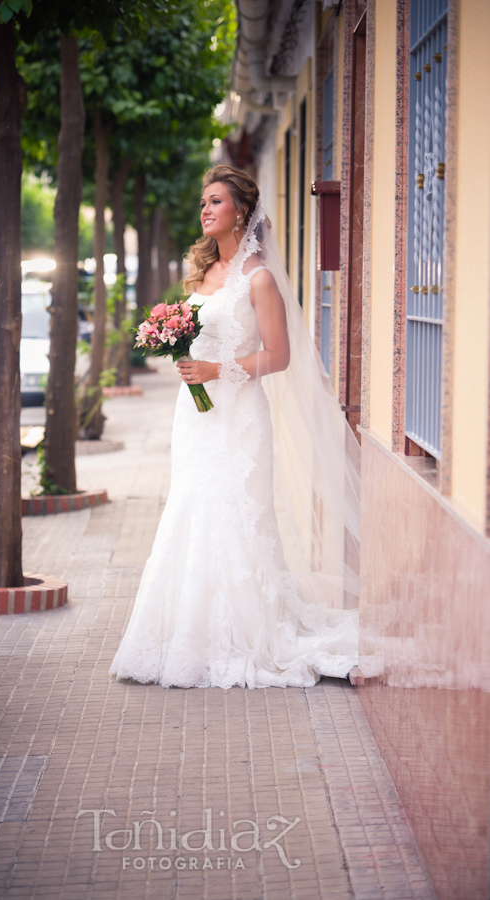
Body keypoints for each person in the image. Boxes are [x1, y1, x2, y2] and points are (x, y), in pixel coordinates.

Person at [110, 165, 359, 689]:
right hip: (196, 416)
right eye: (203, 202)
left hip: (240, 418)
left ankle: (250, 632)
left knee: (237, 517)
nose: (205, 210)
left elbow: (280, 356)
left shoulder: (259, 278)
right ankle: (188, 632)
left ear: (240, 212)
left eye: (215, 202)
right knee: (190, 510)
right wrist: (178, 351)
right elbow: (197, 338)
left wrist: (216, 370)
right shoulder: (199, 275)